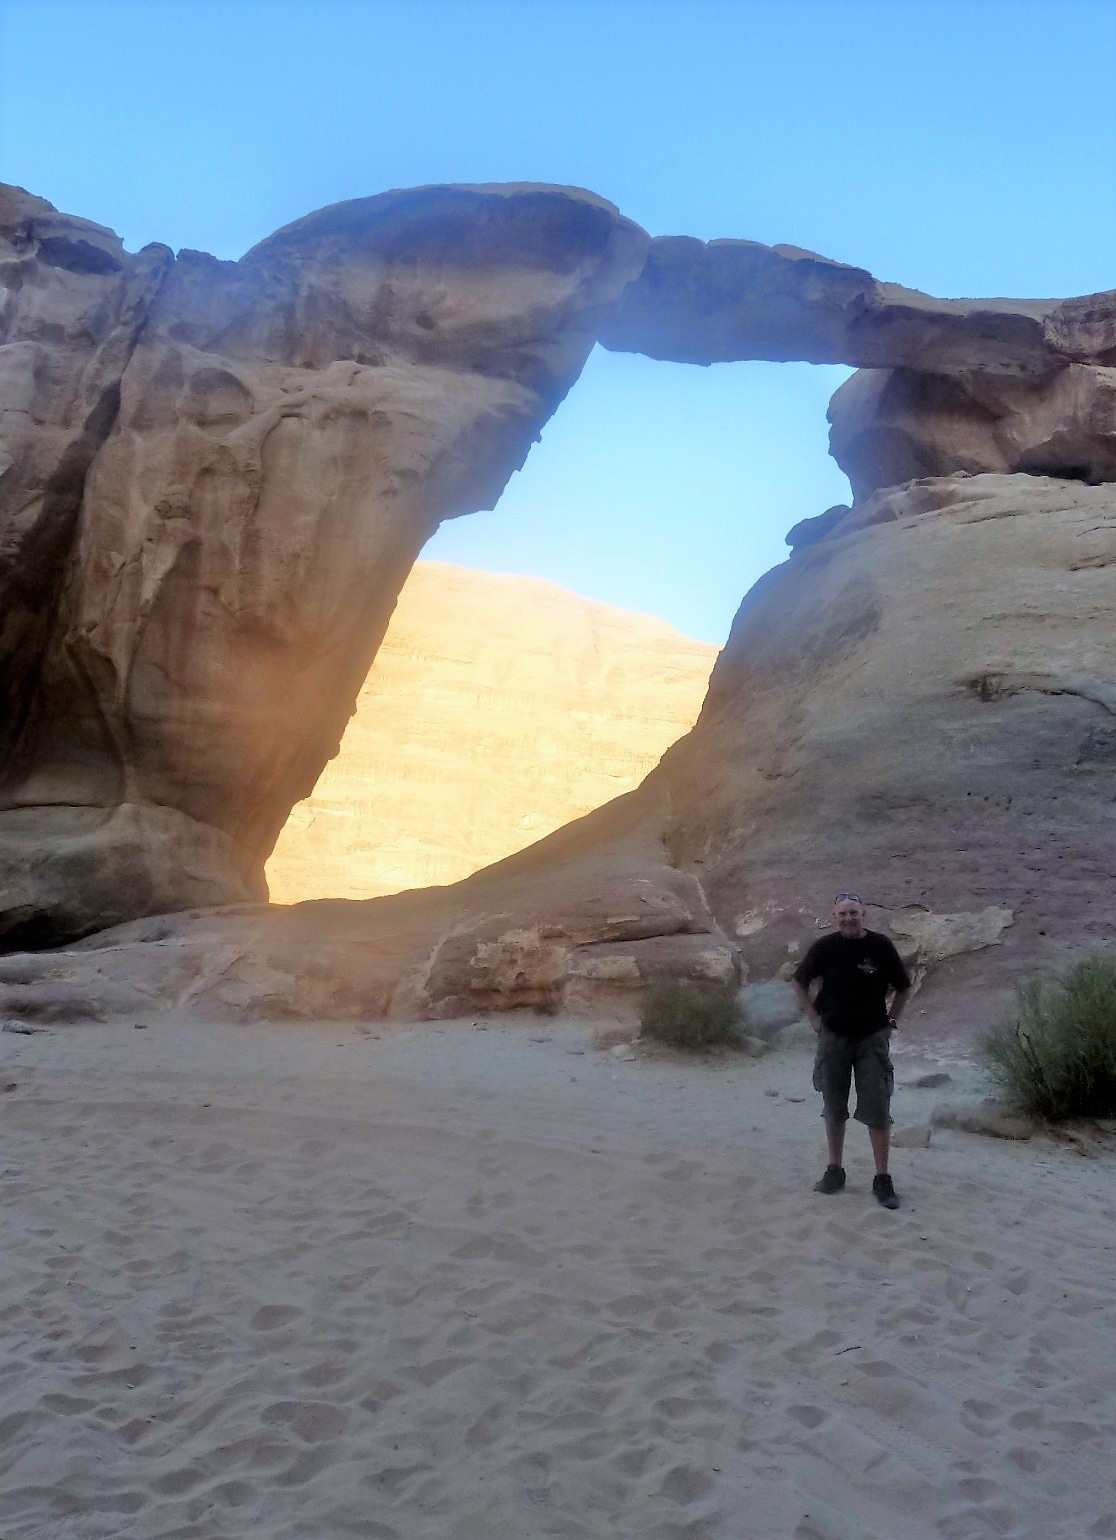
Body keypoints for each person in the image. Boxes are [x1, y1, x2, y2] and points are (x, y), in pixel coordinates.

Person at [792, 892, 911, 1209]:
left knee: (878, 1107)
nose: (848, 918)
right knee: (833, 1104)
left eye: (853, 913)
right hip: (833, 1037)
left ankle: (882, 1178)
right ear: (835, 916)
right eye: (842, 913)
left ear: (864, 915)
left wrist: (892, 1021)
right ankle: (835, 1170)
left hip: (872, 1038)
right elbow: (800, 980)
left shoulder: (880, 947)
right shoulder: (826, 948)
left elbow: (903, 985)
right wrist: (813, 1017)